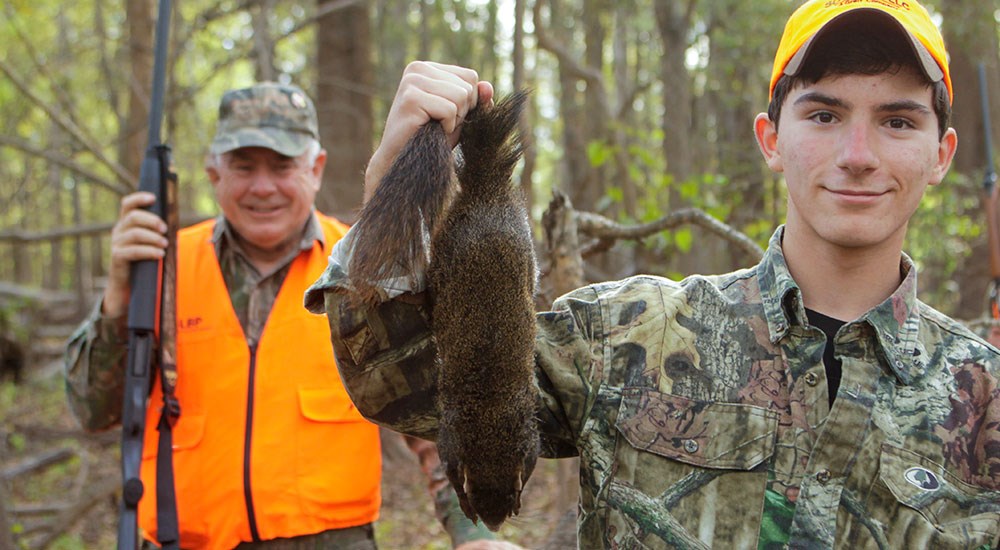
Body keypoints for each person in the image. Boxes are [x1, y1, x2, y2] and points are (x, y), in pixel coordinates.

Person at [305, 1, 1000, 548]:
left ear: (941, 155)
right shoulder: (626, 336)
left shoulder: (985, 400)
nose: (857, 153)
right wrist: (391, 206)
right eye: (823, 113)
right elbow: (401, 382)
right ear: (770, 140)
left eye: (898, 122)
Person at [64, 82, 515, 549]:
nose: (263, 187)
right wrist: (119, 295)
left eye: (282, 166)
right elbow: (92, 411)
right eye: (243, 166)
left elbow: (434, 414)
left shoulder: (363, 264)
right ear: (214, 173)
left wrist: (474, 534)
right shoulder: (163, 268)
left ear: (315, 168)